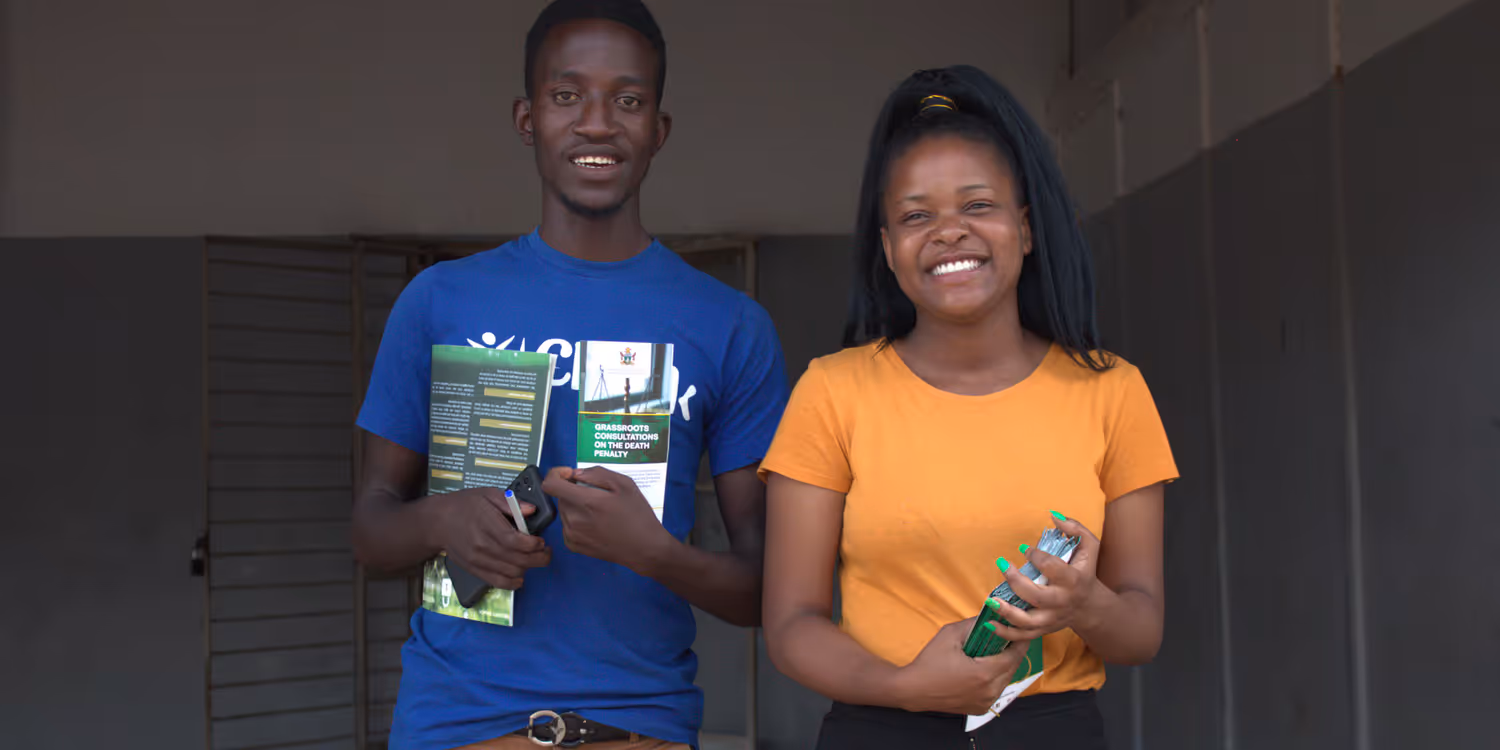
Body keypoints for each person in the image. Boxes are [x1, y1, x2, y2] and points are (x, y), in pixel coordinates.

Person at [351, 2, 788, 748]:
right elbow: (370, 532)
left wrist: (654, 552)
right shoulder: (440, 301)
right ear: (527, 119)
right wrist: (441, 519)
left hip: (635, 729)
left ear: (659, 129)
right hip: (456, 727)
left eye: (628, 100)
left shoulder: (728, 324)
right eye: (566, 95)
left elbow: (766, 592)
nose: (597, 123)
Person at [758, 65, 1178, 750]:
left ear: (1026, 228)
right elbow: (791, 626)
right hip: (881, 729)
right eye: (916, 216)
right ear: (888, 249)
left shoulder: (1113, 391)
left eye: (977, 205)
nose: (949, 232)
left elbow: (1142, 631)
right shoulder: (832, 392)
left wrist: (1084, 603)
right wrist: (908, 686)